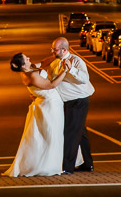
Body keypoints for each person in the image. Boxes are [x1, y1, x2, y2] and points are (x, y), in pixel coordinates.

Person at [3, 52, 72, 177]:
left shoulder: (30, 70)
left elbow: (44, 62)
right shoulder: (32, 75)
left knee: (50, 134)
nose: (29, 58)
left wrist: (55, 55)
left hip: (48, 103)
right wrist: (65, 70)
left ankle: (54, 162)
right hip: (50, 105)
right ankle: (50, 165)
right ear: (23, 65)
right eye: (26, 58)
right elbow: (51, 85)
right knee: (53, 134)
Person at [49, 37, 95, 173]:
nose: (52, 51)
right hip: (66, 101)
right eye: (52, 48)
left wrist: (71, 69)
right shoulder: (54, 63)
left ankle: (67, 167)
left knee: (70, 133)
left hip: (78, 100)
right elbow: (52, 82)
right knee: (80, 133)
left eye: (55, 49)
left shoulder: (76, 60)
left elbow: (84, 79)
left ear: (64, 50)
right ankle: (88, 164)